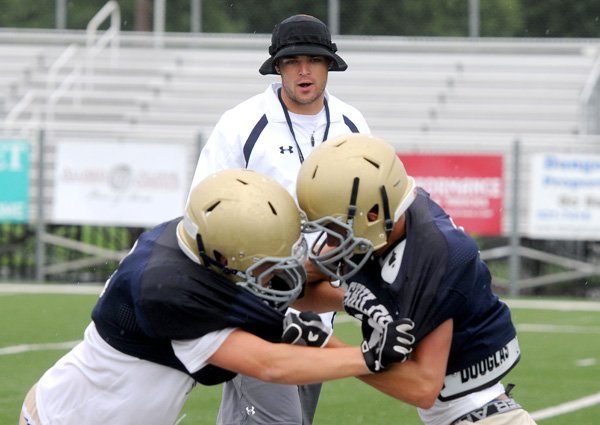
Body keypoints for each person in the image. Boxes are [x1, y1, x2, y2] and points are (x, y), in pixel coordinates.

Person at [19, 169, 415, 425]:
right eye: (264, 263)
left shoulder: (195, 243)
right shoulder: (171, 295)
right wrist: (368, 356)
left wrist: (335, 305)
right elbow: (270, 364)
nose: (275, 272)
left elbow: (249, 291)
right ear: (224, 258)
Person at [189, 13, 371, 425]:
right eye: (292, 60)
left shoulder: (353, 125)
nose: (304, 70)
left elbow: (370, 210)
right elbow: (203, 210)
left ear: (329, 66)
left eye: (314, 59)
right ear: (277, 67)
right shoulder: (240, 124)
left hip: (318, 310)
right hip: (254, 305)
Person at [296, 134, 538, 425]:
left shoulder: (436, 258)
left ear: (373, 214)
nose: (330, 241)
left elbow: (423, 387)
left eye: (336, 227)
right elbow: (300, 292)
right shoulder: (388, 226)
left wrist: (323, 344)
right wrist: (358, 302)